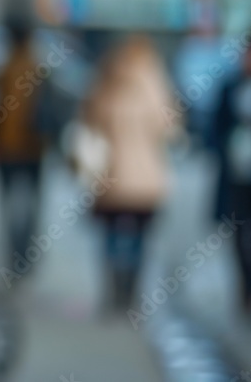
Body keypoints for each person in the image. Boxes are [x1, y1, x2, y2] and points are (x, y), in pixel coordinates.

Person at [82, 35, 175, 311]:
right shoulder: (155, 84)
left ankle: (113, 290)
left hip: (111, 175)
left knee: (110, 236)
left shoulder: (106, 80)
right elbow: (168, 128)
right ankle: (130, 291)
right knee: (138, 239)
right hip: (145, 178)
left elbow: (90, 120)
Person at [210, 33, 251, 317]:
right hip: (235, 176)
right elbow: (214, 128)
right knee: (237, 232)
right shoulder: (230, 88)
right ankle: (243, 288)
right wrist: (227, 147)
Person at [0, 23, 45, 267]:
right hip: (34, 146)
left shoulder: (4, 69)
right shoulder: (37, 68)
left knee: (10, 204)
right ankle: (25, 254)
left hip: (7, 148)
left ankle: (15, 254)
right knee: (30, 203)